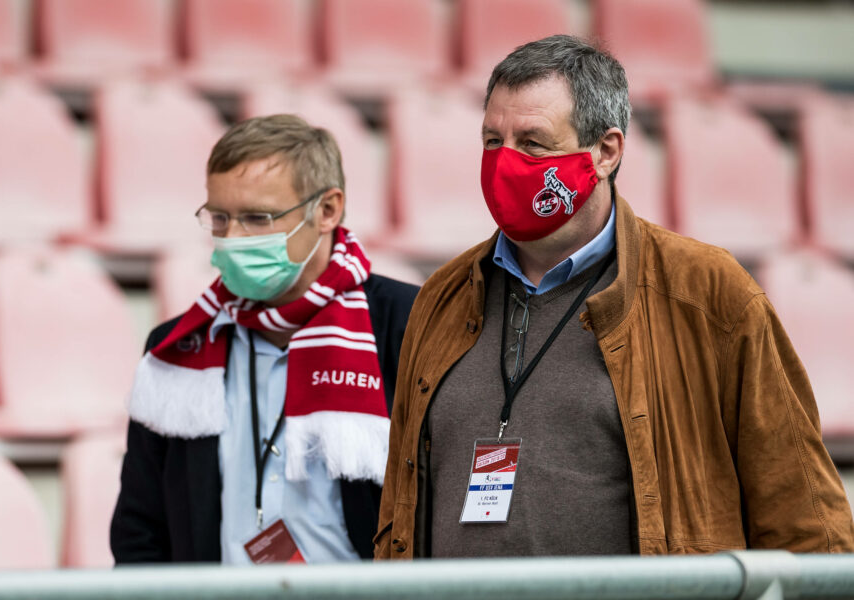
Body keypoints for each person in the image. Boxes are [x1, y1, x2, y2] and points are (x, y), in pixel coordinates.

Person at [375, 35, 854, 559]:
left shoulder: (709, 294)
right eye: (493, 141)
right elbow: (400, 508)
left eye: (533, 143)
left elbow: (805, 520)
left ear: (605, 152)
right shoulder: (442, 298)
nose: (505, 163)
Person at [111, 114, 418, 564]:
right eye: (219, 218)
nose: (232, 239)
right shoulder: (177, 347)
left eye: (257, 218)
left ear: (327, 210)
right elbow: (141, 530)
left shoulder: (410, 326)